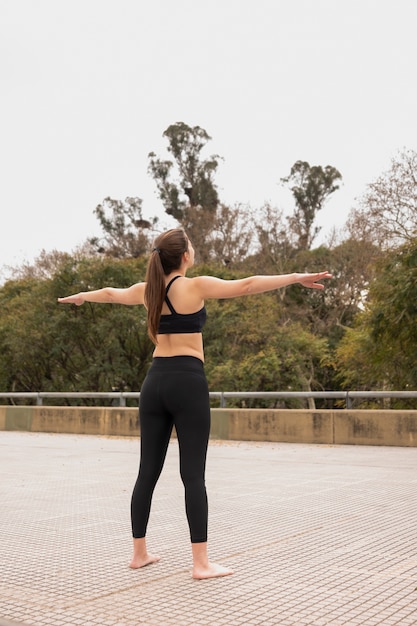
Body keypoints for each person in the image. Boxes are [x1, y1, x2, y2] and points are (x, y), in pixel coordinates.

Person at [58, 227, 332, 580]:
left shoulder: (149, 291)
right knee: (192, 476)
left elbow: (111, 293)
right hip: (187, 382)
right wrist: (296, 277)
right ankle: (200, 564)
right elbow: (247, 285)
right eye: (191, 245)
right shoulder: (195, 286)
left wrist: (82, 296)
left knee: (147, 472)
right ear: (185, 256)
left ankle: (138, 554)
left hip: (154, 382)